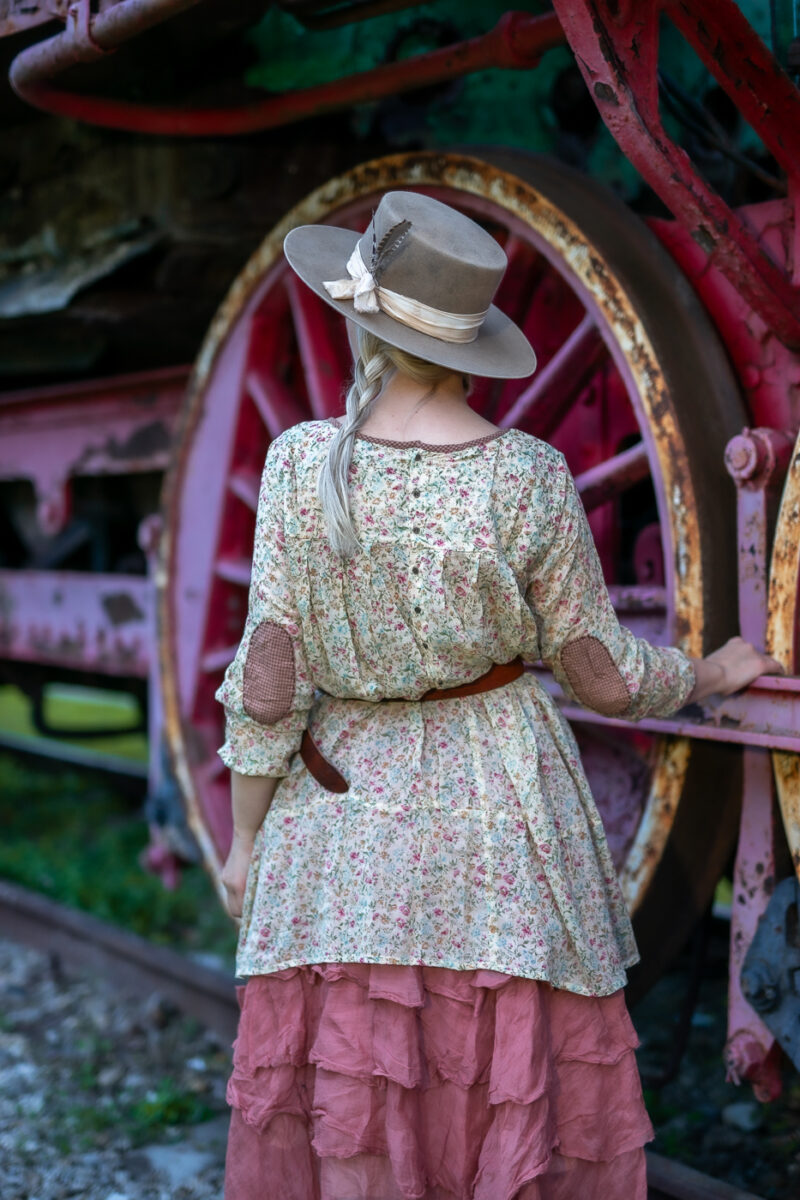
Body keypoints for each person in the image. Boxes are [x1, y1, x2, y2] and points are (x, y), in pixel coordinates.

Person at [215, 191, 781, 1200]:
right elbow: (598, 677)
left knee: (359, 1078)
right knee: (502, 1072)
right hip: (504, 820)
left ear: (359, 319)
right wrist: (704, 673)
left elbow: (268, 678)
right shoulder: (526, 474)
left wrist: (245, 840)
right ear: (469, 340)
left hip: (343, 828)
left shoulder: (302, 464)